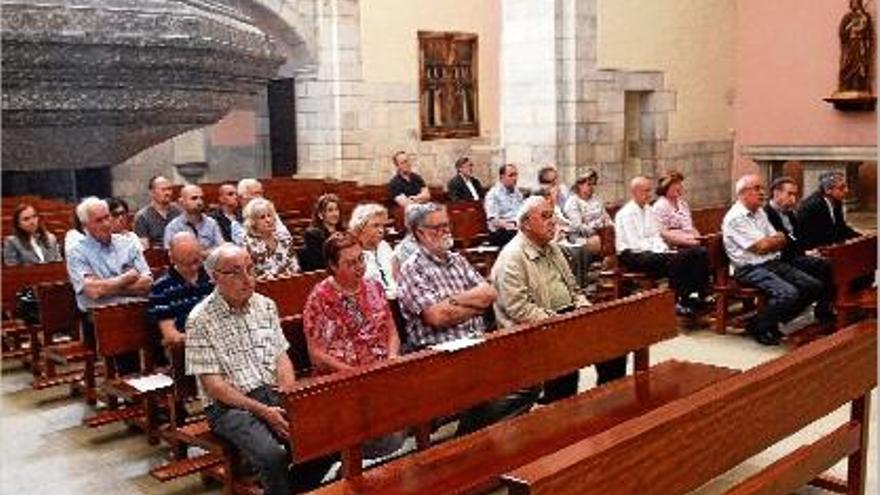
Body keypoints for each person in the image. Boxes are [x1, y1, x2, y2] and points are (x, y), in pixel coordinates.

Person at [185, 244, 334, 495]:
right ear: (214, 277)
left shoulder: (265, 305)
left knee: (324, 440)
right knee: (272, 456)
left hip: (272, 393)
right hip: (230, 407)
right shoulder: (200, 319)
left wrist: (288, 396)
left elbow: (281, 357)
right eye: (235, 272)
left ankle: (288, 490)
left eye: (250, 269)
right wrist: (265, 411)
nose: (247, 278)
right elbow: (215, 386)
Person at [399, 202, 534, 434]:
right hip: (439, 356)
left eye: (447, 225)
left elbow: (489, 294)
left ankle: (474, 437)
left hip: (477, 345)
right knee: (490, 386)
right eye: (438, 227)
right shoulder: (413, 269)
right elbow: (437, 317)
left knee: (530, 377)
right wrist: (472, 305)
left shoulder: (457, 260)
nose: (446, 231)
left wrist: (451, 300)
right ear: (420, 232)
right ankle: (470, 440)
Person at [491, 195, 594, 402]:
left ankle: (610, 403)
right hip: (533, 329)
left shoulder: (552, 248)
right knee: (564, 351)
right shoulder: (512, 257)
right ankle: (557, 409)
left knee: (612, 344)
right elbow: (519, 310)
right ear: (526, 224)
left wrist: (584, 308)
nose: (553, 221)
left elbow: (574, 288)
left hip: (564, 317)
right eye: (545, 216)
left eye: (553, 216)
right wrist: (559, 321)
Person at [722, 174, 824, 346]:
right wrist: (773, 241)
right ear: (743, 193)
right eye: (757, 189)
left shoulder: (759, 212)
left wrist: (773, 241)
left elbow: (780, 239)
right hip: (749, 268)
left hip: (770, 262)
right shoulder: (736, 218)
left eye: (762, 188)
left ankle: (770, 320)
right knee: (788, 293)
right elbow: (762, 246)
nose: (762, 193)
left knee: (813, 286)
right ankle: (759, 326)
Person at [67, 197, 153, 374]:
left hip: (133, 308)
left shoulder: (127, 243)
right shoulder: (77, 252)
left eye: (108, 217)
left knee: (161, 319)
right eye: (99, 220)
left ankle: (158, 381)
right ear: (85, 225)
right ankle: (129, 385)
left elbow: (146, 282)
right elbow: (94, 291)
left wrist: (108, 285)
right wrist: (127, 277)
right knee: (119, 326)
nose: (107, 223)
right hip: (99, 315)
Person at [303, 232, 399, 374]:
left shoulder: (375, 287)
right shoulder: (320, 298)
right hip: (345, 377)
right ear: (333, 266)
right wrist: (355, 373)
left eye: (361, 259)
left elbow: (391, 331)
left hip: (384, 368)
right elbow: (316, 354)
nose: (360, 266)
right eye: (351, 263)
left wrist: (392, 358)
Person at [614, 176, 710, 317]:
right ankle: (676, 301)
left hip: (651, 252)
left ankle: (696, 296)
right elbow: (635, 243)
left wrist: (663, 250)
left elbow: (655, 235)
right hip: (632, 255)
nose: (649, 195)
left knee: (699, 252)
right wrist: (662, 252)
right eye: (645, 191)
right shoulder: (625, 214)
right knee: (678, 259)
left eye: (649, 191)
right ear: (634, 192)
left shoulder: (649, 210)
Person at [764, 177, 836, 324]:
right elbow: (781, 241)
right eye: (789, 194)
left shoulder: (790, 213)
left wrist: (807, 251)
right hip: (781, 259)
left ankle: (823, 308)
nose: (793, 198)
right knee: (820, 273)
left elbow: (798, 237)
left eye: (795, 195)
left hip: (794, 255)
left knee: (828, 264)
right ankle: (786, 314)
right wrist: (800, 250)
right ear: (777, 193)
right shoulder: (766, 214)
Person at [148, 232, 214, 349]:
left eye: (196, 261)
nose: (193, 268)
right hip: (188, 350)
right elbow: (171, 336)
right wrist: (204, 340)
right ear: (172, 258)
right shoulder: (160, 289)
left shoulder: (213, 277)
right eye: (186, 264)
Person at [796, 171, 861, 250]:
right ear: (828, 190)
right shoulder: (812, 206)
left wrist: (861, 237)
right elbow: (818, 235)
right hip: (811, 249)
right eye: (842, 188)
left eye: (846, 186)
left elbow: (840, 227)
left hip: (828, 246)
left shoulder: (836, 201)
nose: (846, 190)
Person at [241, 198, 300, 279]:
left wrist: (288, 274)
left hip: (289, 281)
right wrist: (273, 277)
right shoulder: (248, 244)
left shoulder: (284, 238)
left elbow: (294, 265)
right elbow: (250, 274)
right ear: (253, 222)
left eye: (269, 215)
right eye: (262, 217)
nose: (268, 220)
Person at [349, 203, 397, 299]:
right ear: (361, 227)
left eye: (383, 226)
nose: (381, 230)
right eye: (375, 226)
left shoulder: (384, 246)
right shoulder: (351, 252)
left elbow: (396, 277)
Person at [563, 170, 612, 256]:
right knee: (600, 240)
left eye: (593, 184)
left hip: (602, 232)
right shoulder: (573, 202)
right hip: (579, 237)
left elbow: (605, 216)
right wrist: (598, 231)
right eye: (589, 184)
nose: (592, 187)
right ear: (579, 185)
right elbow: (578, 226)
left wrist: (611, 227)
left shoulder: (596, 199)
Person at [163, 185, 225, 252]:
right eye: (194, 198)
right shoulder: (173, 227)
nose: (199, 202)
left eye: (201, 198)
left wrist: (201, 254)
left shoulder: (211, 223)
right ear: (182, 202)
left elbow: (221, 248)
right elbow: (171, 253)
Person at [233, 178, 292, 244]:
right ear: (242, 197)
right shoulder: (235, 218)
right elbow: (244, 242)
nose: (260, 197)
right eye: (256, 194)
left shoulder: (268, 211)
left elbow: (286, 235)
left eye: (261, 193)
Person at [134, 175, 182, 249]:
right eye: (163, 190)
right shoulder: (142, 217)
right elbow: (144, 248)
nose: (167, 193)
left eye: (169, 189)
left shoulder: (179, 211)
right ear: (152, 192)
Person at [299, 194, 343, 272]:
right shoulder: (312, 234)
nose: (335, 214)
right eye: (330, 210)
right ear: (320, 215)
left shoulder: (344, 231)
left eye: (337, 209)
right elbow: (319, 263)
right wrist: (331, 241)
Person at [484, 164, 523, 247]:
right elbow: (493, 221)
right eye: (511, 175)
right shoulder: (493, 194)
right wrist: (511, 226)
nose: (515, 178)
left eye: (516, 175)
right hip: (501, 231)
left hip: (516, 226)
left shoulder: (517, 193)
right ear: (502, 177)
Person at [838, 0, 873, 92]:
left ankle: (859, 85)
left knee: (860, 65)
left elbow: (868, 33)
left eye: (856, 2)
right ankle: (846, 86)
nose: (855, 4)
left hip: (860, 44)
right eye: (853, 2)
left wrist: (862, 19)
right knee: (847, 64)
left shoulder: (865, 16)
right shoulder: (847, 17)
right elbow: (842, 33)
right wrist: (851, 25)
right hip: (850, 45)